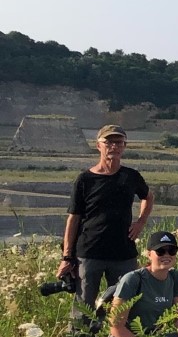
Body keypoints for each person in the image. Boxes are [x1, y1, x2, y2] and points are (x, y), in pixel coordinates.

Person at [58, 124, 153, 310]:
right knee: (83, 306)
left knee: (125, 305)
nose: (114, 147)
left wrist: (141, 222)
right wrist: (67, 256)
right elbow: (73, 219)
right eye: (108, 142)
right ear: (98, 145)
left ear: (124, 146)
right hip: (89, 251)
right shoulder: (85, 180)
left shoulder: (131, 176)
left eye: (119, 142)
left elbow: (148, 196)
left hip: (123, 252)